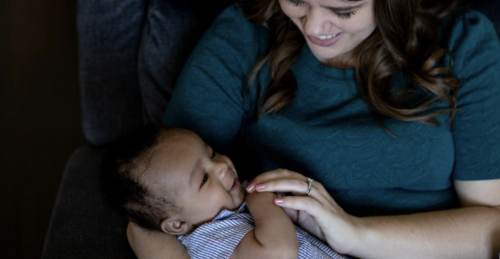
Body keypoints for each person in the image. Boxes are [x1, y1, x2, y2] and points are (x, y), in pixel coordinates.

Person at [127, 0, 500, 258]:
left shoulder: (463, 42)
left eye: (343, 10)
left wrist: (353, 234)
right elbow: (154, 199)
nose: (314, 27)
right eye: (297, 1)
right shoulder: (245, 34)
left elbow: (490, 226)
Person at [111, 127, 347, 259]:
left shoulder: (233, 206)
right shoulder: (208, 239)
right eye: (204, 178)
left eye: (212, 154)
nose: (222, 166)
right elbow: (279, 253)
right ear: (177, 224)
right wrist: (263, 202)